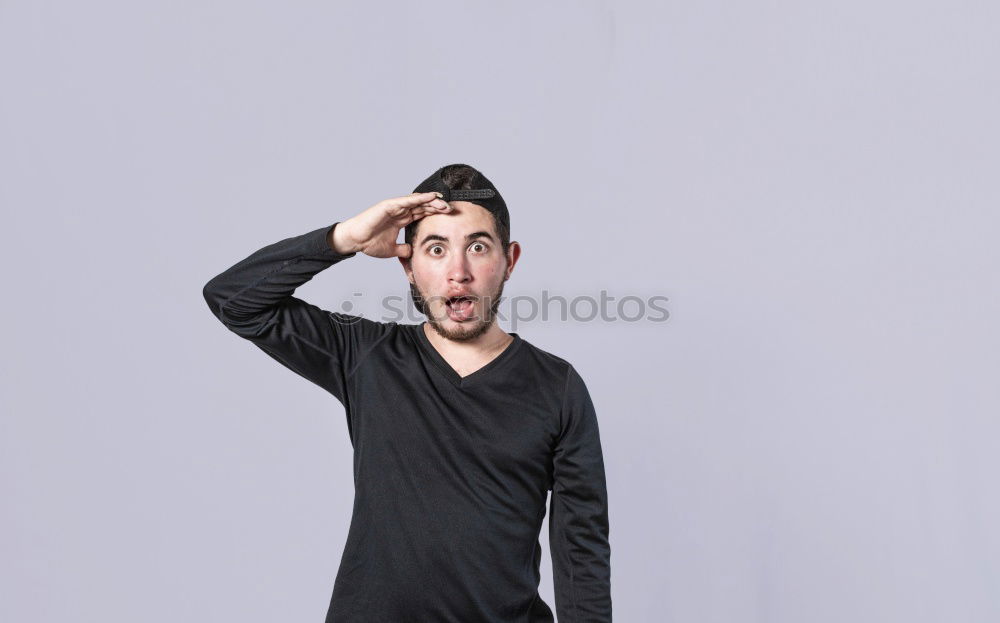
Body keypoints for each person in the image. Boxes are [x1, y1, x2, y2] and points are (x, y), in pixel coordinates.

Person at [202, 163, 612, 622]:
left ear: (509, 261)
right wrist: (344, 239)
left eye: (477, 247)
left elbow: (582, 551)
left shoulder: (557, 388)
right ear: (409, 266)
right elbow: (233, 299)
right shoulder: (366, 356)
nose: (459, 272)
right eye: (436, 249)